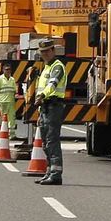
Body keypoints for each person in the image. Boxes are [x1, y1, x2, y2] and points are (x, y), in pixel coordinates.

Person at [31, 39, 68, 185]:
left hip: (53, 105)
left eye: (47, 51)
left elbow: (53, 84)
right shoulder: (46, 67)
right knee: (46, 141)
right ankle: (49, 172)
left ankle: (56, 174)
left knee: (52, 140)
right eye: (42, 52)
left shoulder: (57, 66)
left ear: (53, 51)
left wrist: (42, 96)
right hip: (45, 107)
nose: (45, 54)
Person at [0, 60, 19, 137]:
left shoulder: (12, 80)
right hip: (2, 102)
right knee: (2, 118)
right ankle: (1, 134)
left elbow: (14, 91)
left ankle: (12, 135)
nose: (8, 71)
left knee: (11, 118)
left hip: (10, 102)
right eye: (6, 69)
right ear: (3, 70)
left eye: (9, 69)